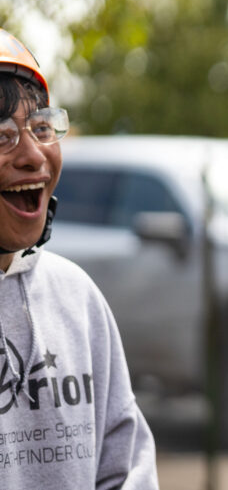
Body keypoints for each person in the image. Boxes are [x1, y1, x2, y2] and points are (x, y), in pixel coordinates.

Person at [0, 28, 158, 488]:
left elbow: (124, 464)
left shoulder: (76, 297)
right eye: (3, 135)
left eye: (42, 127)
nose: (33, 155)